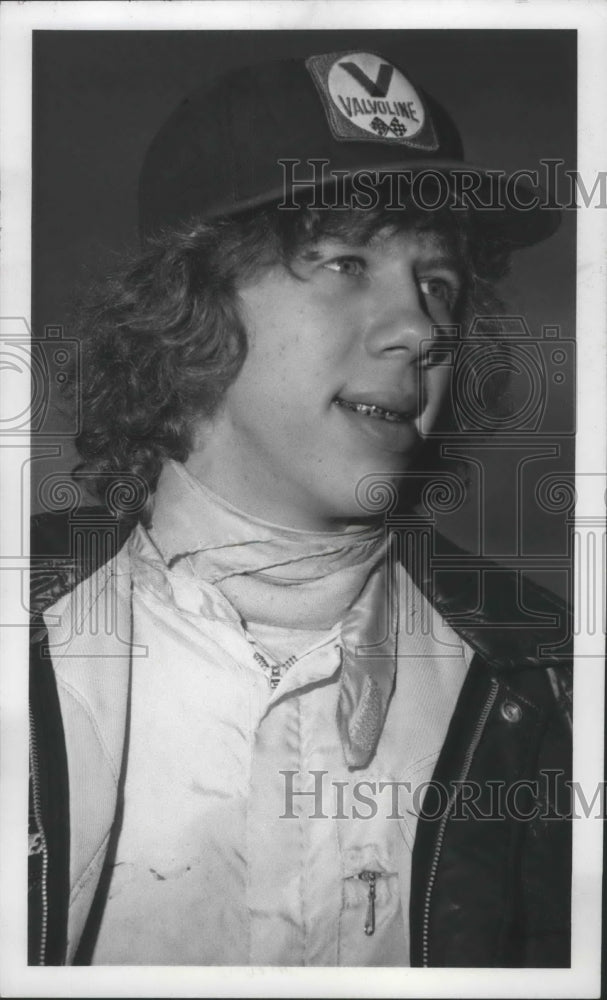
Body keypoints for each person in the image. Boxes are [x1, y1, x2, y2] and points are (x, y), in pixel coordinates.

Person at [28, 48, 572, 968]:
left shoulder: (551, 676)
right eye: (346, 260)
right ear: (186, 306)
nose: (420, 327)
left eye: (437, 282)